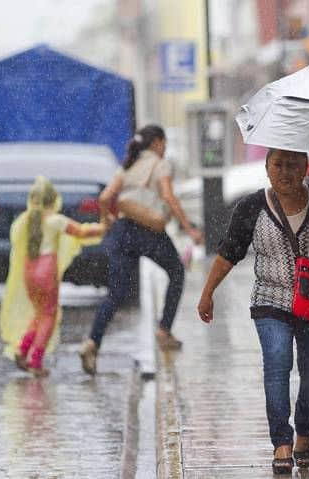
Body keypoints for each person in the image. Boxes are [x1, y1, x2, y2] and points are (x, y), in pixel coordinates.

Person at [197, 148, 309, 475]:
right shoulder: (251, 206)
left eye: (293, 165)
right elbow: (229, 252)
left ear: (306, 167)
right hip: (269, 301)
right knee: (277, 363)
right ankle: (281, 442)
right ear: (266, 167)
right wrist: (207, 294)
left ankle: (304, 430)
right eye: (278, 164)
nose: (285, 172)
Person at [79, 125, 203, 375]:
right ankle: (164, 330)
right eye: (164, 143)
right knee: (176, 272)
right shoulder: (160, 164)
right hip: (149, 232)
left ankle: (93, 342)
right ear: (157, 143)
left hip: (123, 230)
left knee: (116, 293)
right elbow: (168, 197)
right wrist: (188, 227)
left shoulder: (127, 167)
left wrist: (106, 221)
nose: (165, 148)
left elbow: (105, 198)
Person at [0, 176, 105, 377]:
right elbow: (81, 231)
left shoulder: (26, 220)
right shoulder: (56, 220)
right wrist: (104, 227)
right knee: (49, 315)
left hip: (29, 271)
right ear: (53, 200)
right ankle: (36, 361)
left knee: (39, 314)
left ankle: (22, 350)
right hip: (47, 271)